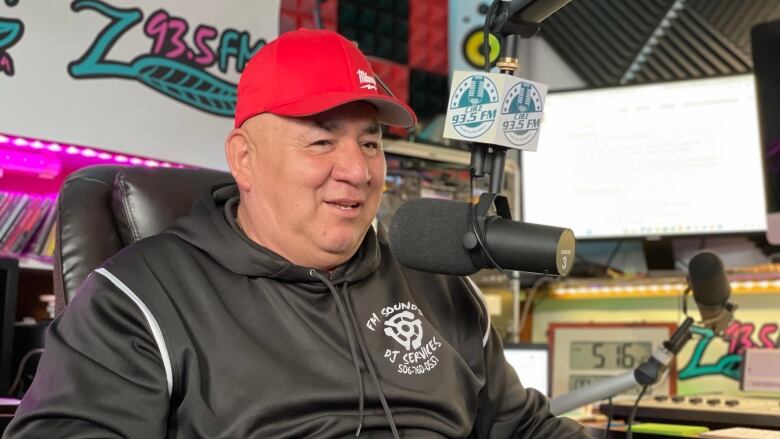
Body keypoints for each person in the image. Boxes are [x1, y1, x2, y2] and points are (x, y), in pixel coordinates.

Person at [5, 29, 588, 438]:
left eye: (370, 142)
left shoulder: (435, 284)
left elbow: (524, 427)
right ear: (245, 160)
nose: (357, 170)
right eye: (320, 140)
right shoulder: (138, 297)